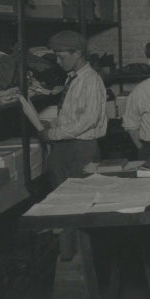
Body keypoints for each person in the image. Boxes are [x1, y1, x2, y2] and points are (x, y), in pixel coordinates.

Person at [42, 30, 107, 188]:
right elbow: (71, 112)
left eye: (61, 57)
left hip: (82, 149)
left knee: (80, 194)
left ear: (77, 53)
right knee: (59, 192)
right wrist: (54, 124)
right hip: (66, 145)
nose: (58, 61)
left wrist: (53, 134)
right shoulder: (72, 77)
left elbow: (89, 120)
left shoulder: (91, 80)